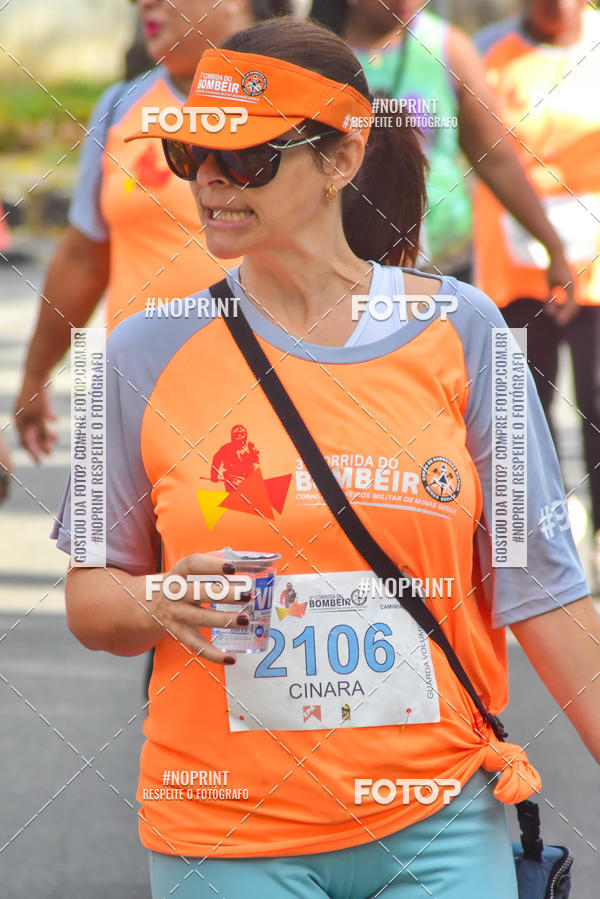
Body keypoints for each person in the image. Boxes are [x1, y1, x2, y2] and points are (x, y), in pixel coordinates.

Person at [53, 17, 600, 899]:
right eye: (195, 157)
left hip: (439, 819)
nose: (214, 185)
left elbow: (545, 590)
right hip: (227, 829)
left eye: (252, 160)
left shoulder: (466, 335)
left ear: (342, 157)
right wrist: (161, 598)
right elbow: (90, 595)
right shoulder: (137, 352)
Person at [13, 0, 292, 463]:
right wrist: (35, 374)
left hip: (271, 413)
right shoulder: (120, 106)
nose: (145, 2)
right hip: (138, 407)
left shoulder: (305, 104)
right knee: (99, 535)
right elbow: (85, 256)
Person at [311, 0, 576, 297]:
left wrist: (553, 246)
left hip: (444, 265)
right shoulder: (316, 58)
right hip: (344, 272)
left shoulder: (449, 49)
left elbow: (495, 158)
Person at [474, 0, 600, 579]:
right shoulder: (487, 55)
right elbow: (484, 157)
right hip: (518, 276)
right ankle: (531, 553)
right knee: (523, 415)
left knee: (597, 405)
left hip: (596, 271)